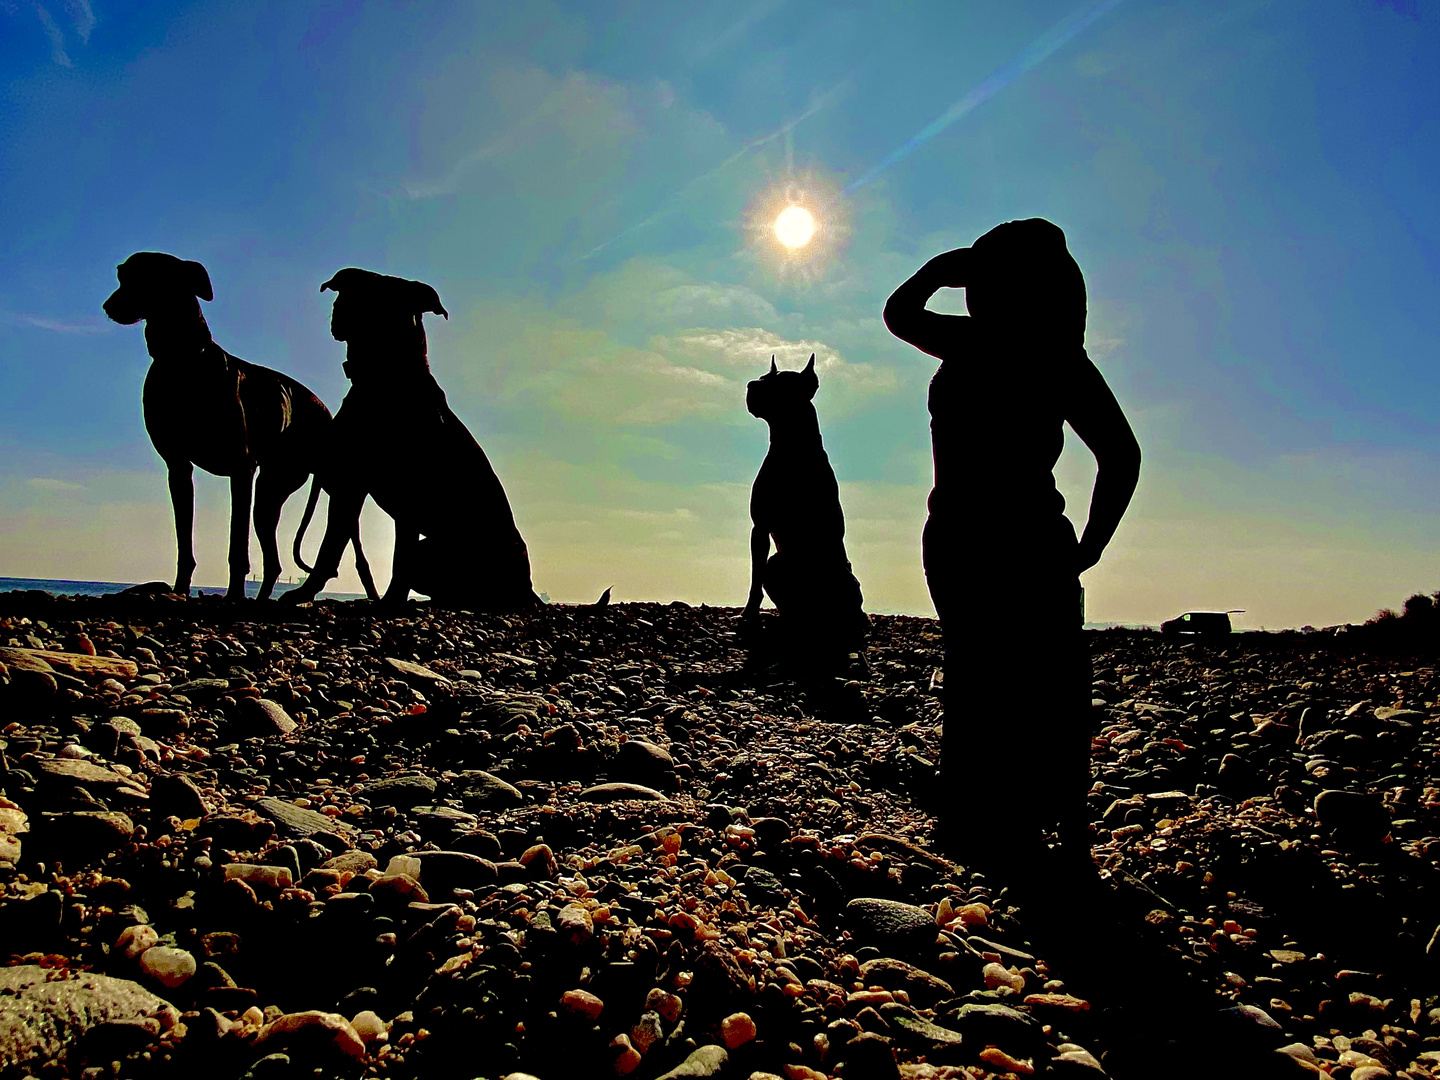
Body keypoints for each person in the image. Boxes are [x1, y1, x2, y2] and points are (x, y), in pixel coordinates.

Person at [884, 217, 1140, 891]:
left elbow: (1120, 455)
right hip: (997, 537)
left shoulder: (982, 345)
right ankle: (1030, 822)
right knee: (1027, 674)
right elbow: (1120, 456)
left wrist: (942, 268)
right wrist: (1090, 543)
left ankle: (1005, 819)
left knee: (999, 672)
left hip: (988, 536)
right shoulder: (1047, 355)